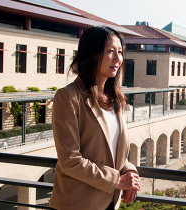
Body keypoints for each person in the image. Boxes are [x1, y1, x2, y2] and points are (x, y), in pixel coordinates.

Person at [49, 26, 140, 210]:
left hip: (109, 203)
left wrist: (128, 169)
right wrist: (117, 180)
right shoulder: (68, 97)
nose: (118, 59)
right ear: (92, 53)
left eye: (120, 52)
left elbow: (110, 149)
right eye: (110, 51)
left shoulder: (116, 99)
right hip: (76, 203)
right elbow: (70, 160)